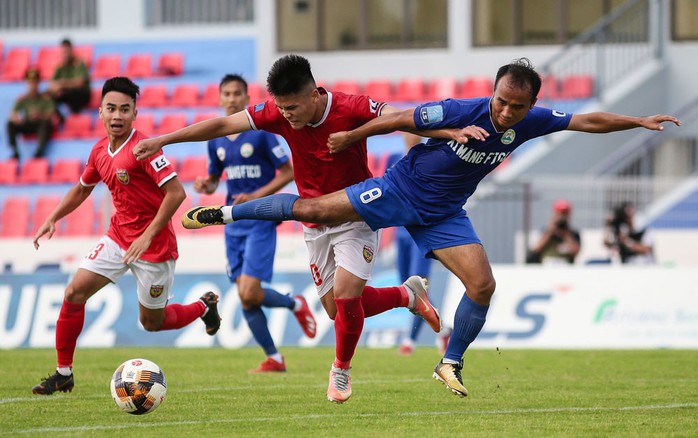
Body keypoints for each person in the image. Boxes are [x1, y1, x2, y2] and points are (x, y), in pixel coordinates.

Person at [154, 58, 681, 398]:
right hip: (398, 189)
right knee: (318, 228)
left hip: (445, 212)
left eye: (515, 106)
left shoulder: (531, 121)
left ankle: (448, 363)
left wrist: (637, 122)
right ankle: (226, 213)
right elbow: (401, 118)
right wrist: (365, 134)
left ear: (528, 106)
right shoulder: (461, 107)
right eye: (499, 100)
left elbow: (582, 121)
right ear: (492, 91)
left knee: (483, 284)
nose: (503, 112)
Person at [132, 54, 442, 404]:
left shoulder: (350, 107)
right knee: (336, 310)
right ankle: (407, 295)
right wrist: (163, 140)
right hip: (313, 221)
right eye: (282, 107)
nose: (286, 114)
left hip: (357, 213)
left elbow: (401, 118)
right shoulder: (277, 113)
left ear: (314, 95)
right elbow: (221, 126)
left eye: (292, 107)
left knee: (345, 294)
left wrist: (451, 131)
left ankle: (340, 371)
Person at [31, 77, 221, 396]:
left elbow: (176, 194)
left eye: (124, 109)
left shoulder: (144, 149)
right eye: (111, 109)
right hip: (118, 237)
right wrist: (54, 217)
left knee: (152, 323)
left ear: (135, 113)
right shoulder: (98, 152)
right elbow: (82, 188)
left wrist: (146, 237)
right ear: (101, 113)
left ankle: (203, 308)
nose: (117, 116)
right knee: (74, 292)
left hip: (154, 247)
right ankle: (64, 373)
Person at [194, 74, 316, 373]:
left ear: (247, 98)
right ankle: (274, 358)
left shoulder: (261, 134)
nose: (232, 98)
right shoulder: (217, 141)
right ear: (220, 99)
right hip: (231, 221)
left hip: (260, 217)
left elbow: (288, 172)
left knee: (249, 291)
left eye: (238, 93)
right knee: (245, 297)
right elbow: (214, 179)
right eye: (227, 94)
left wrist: (257, 196)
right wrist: (206, 185)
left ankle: (294, 304)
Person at [393, 133, 452, 356]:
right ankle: (444, 329)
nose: (410, 136)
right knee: (404, 286)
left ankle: (410, 340)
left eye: (414, 132)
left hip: (421, 232)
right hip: (401, 231)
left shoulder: (428, 158)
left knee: (416, 288)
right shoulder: (395, 158)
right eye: (407, 132)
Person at [6, 68, 56, 159]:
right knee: (10, 124)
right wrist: (16, 118)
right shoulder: (23, 99)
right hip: (27, 123)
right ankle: (15, 151)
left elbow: (51, 113)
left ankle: (39, 152)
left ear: (38, 83)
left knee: (45, 124)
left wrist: (40, 115)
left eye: (34, 83)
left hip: (39, 124)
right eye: (30, 83)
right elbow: (13, 114)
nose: (32, 85)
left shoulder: (45, 98)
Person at [48, 38, 91, 120]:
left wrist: (62, 84)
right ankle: (61, 118)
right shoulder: (59, 66)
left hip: (81, 94)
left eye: (67, 51)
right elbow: (52, 84)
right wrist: (57, 89)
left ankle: (76, 116)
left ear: (71, 50)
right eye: (64, 51)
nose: (65, 54)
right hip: (65, 93)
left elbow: (80, 83)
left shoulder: (79, 63)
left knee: (72, 92)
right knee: (48, 96)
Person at [527, 199, 581, 265]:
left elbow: (575, 252)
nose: (562, 216)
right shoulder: (545, 231)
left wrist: (566, 235)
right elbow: (536, 249)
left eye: (565, 213)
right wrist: (550, 231)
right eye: (560, 213)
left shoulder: (573, 233)